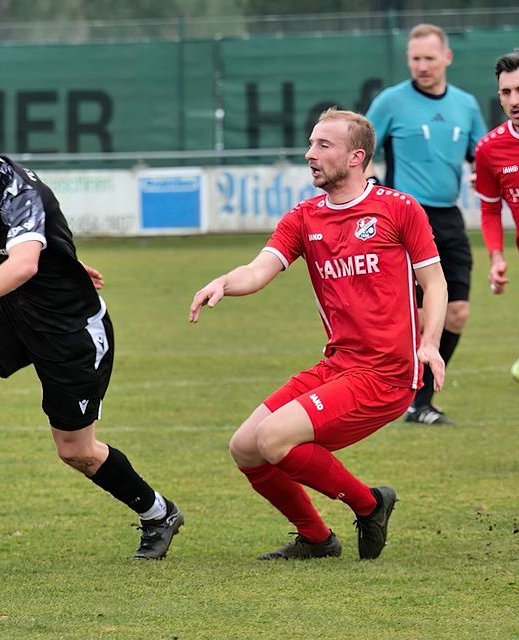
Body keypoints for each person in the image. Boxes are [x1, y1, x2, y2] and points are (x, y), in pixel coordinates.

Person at [0, 105, 183, 559]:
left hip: (70, 332)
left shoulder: (16, 190)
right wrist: (66, 260)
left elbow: (24, 261)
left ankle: (157, 512)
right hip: (16, 313)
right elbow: (39, 239)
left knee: (76, 452)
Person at [190, 108, 447, 560]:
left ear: (355, 157)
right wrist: (223, 283)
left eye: (323, 146)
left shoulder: (398, 208)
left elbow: (435, 282)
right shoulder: (304, 218)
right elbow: (257, 271)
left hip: (387, 374)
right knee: (246, 448)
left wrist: (429, 343)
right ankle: (317, 539)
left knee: (274, 439)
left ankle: (370, 505)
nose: (310, 154)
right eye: (310, 144)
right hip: (338, 366)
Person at [365, 23, 487, 425]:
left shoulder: (466, 105)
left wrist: (485, 176)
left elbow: (482, 156)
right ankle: (405, 398)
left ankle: (421, 400)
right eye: (415, 59)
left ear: (447, 58)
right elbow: (359, 150)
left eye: (430, 58)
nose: (422, 66)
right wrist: (374, 190)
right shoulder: (390, 102)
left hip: (449, 218)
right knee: (416, 314)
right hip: (405, 218)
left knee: (458, 312)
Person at [474, 51, 519, 382]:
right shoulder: (489, 149)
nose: (514, 100)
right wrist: (496, 257)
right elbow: (490, 208)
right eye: (506, 92)